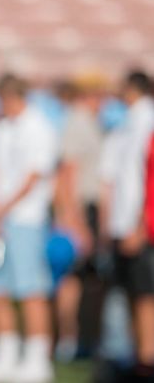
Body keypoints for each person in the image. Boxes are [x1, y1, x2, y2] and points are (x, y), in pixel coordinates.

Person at [0, 73, 58, 383]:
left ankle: (37, 359)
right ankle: (5, 356)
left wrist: (2, 211)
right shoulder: (2, 126)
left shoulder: (39, 126)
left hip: (25, 220)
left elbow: (34, 177)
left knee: (30, 289)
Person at [99, 70, 154, 381]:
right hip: (124, 223)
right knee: (131, 293)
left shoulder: (146, 122)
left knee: (146, 295)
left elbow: (146, 182)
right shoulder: (124, 125)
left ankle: (146, 360)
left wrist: (141, 225)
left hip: (139, 224)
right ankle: (138, 356)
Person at [51, 73, 108, 362]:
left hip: (89, 207)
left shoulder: (88, 121)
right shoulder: (79, 121)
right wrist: (74, 220)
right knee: (72, 277)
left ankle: (83, 339)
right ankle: (69, 340)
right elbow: (67, 173)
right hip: (82, 208)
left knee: (87, 279)